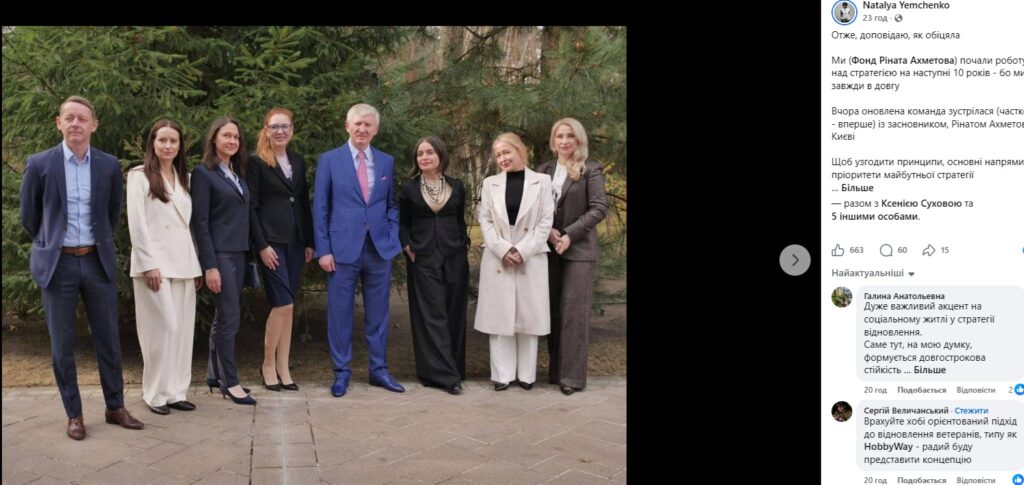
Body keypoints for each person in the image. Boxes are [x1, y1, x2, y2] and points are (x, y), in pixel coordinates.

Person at [19, 95, 144, 439]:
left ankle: (115, 407)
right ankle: (74, 414)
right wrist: (50, 242)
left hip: (95, 262)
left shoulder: (108, 164)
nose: (75, 123)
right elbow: (29, 216)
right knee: (62, 344)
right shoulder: (39, 164)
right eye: (69, 117)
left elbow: (112, 212)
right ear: (59, 123)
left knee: (109, 339)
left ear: (94, 125)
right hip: (57, 264)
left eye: (82, 118)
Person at [313, 103, 404, 397]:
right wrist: (324, 250)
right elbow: (321, 207)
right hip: (341, 250)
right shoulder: (330, 160)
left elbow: (391, 204)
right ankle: (341, 373)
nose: (362, 129)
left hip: (378, 249)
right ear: (347, 126)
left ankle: (379, 371)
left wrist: (391, 235)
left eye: (368, 125)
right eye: (357, 124)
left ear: (375, 129)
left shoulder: (386, 161)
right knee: (340, 314)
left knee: (379, 314)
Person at [126, 119, 204, 415]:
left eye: (173, 141)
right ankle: (155, 393)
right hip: (154, 266)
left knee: (182, 332)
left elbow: (189, 226)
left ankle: (175, 392)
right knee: (162, 330)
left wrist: (196, 265)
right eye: (163, 140)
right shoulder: (139, 176)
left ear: (180, 145)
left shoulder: (186, 179)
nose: (168, 146)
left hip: (184, 264)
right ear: (153, 143)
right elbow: (137, 224)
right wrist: (148, 264)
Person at [474, 133, 554, 391]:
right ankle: (502, 375)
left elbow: (545, 221)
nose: (503, 158)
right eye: (498, 155)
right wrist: (503, 249)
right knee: (500, 318)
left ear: (520, 151)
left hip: (531, 256)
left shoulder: (542, 181)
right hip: (499, 257)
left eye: (506, 152)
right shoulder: (490, 183)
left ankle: (527, 376)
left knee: (528, 318)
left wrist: (522, 250)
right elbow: (485, 220)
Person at [536, 118, 608, 396]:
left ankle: (572, 378)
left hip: (578, 250)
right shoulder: (544, 170)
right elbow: (537, 207)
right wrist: (549, 232)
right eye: (560, 136)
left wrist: (569, 235)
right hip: (550, 248)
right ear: (553, 141)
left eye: (570, 136)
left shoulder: (591, 169)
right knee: (553, 312)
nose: (565, 141)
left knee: (574, 314)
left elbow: (598, 208)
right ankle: (556, 372)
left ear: (579, 140)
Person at [191, 116, 256, 405]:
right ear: (214, 139)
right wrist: (210, 265)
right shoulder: (204, 174)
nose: (232, 141)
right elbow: (200, 223)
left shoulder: (235, 173)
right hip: (220, 255)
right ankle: (231, 382)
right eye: (227, 135)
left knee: (224, 317)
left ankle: (214, 375)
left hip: (239, 253)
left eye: (236, 137)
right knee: (230, 318)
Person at [248, 108, 313, 392]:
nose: (280, 131)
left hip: (296, 242)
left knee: (289, 307)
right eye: (274, 127)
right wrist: (261, 245)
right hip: (271, 244)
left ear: (292, 130)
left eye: (285, 126)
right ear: (266, 130)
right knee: (282, 303)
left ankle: (284, 367)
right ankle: (267, 364)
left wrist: (309, 241)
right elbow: (251, 207)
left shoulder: (297, 161)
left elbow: (302, 203)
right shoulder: (256, 162)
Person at [399, 136, 470, 395]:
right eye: (420, 154)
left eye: (429, 152)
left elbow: (460, 218)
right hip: (423, 256)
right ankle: (443, 376)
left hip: (454, 255)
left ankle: (454, 369)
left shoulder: (456, 185)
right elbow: (403, 222)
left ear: (440, 155)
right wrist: (407, 244)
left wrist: (463, 243)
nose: (424, 157)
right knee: (431, 315)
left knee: (454, 312)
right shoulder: (409, 189)